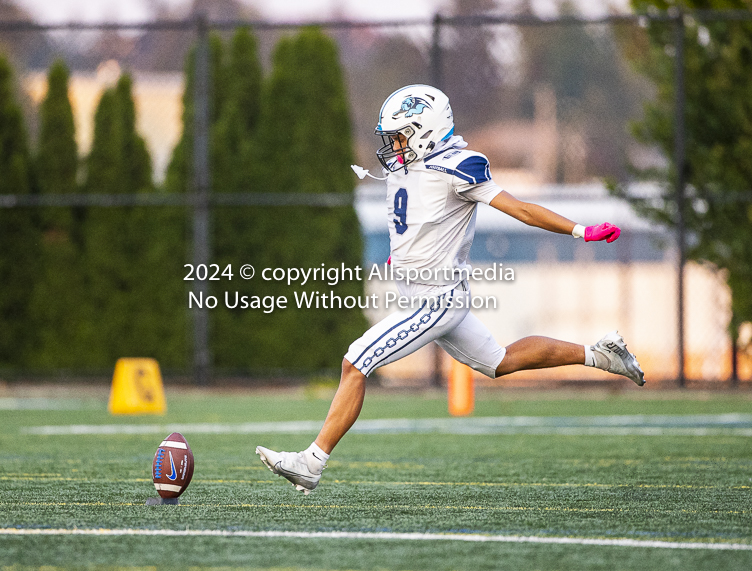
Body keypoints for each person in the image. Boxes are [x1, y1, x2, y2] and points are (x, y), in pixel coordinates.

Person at [255, 84, 644, 495]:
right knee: (500, 361)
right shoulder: (406, 167)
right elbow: (419, 219)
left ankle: (312, 461)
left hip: (437, 299)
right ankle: (600, 354)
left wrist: (580, 230)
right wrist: (401, 255)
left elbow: (522, 209)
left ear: (425, 131)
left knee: (355, 362)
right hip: (421, 294)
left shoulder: (460, 166)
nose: (393, 146)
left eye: (400, 136)